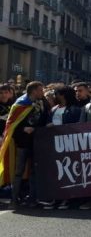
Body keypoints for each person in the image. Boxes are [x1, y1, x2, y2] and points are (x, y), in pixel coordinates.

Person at [0, 81, 48, 209]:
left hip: (37, 142)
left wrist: (38, 128)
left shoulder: (43, 102)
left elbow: (45, 119)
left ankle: (32, 199)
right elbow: (11, 125)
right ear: (33, 91)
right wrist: (23, 129)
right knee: (18, 171)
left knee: (34, 171)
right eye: (40, 90)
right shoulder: (20, 104)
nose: (43, 93)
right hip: (22, 143)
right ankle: (14, 200)